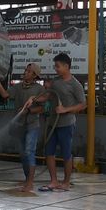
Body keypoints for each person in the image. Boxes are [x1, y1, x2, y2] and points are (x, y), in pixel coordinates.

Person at [39, 52, 86, 192]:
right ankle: (53, 181)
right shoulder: (55, 81)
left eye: (58, 66)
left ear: (66, 66)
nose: (56, 69)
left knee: (66, 153)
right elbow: (48, 96)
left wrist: (65, 109)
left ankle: (66, 182)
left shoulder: (75, 84)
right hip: (52, 123)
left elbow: (83, 104)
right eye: (55, 66)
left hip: (66, 123)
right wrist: (34, 99)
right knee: (49, 152)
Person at [0, 63, 45, 192]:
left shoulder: (39, 89)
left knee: (29, 151)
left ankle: (30, 182)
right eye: (25, 70)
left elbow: (41, 108)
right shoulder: (17, 87)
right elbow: (5, 95)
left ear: (34, 75)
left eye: (28, 71)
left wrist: (29, 111)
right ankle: (27, 178)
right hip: (19, 126)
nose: (25, 73)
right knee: (23, 154)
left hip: (32, 125)